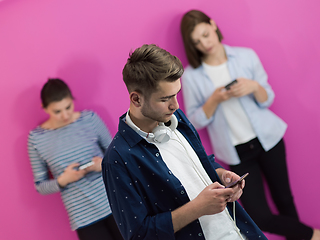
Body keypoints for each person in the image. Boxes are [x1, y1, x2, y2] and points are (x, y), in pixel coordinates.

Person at [101, 44, 267, 240]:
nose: (176, 105)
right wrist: (198, 208)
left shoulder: (176, 117)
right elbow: (139, 234)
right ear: (136, 99)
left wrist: (221, 175)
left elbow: (201, 160)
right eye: (165, 99)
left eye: (176, 94)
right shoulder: (117, 159)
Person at [180, 9, 320, 240]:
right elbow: (194, 121)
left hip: (268, 139)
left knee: (285, 200)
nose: (204, 44)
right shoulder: (192, 76)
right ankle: (313, 235)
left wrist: (254, 87)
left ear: (213, 25)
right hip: (238, 153)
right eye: (196, 41)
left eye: (205, 34)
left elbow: (268, 99)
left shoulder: (246, 56)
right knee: (258, 215)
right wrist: (214, 100)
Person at [28, 79, 123, 240]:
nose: (65, 115)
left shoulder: (90, 119)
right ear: (44, 108)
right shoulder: (36, 139)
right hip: (83, 218)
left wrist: (102, 165)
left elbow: (117, 157)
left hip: (116, 203)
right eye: (57, 111)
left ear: (72, 100)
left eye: (68, 107)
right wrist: (63, 180)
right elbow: (40, 186)